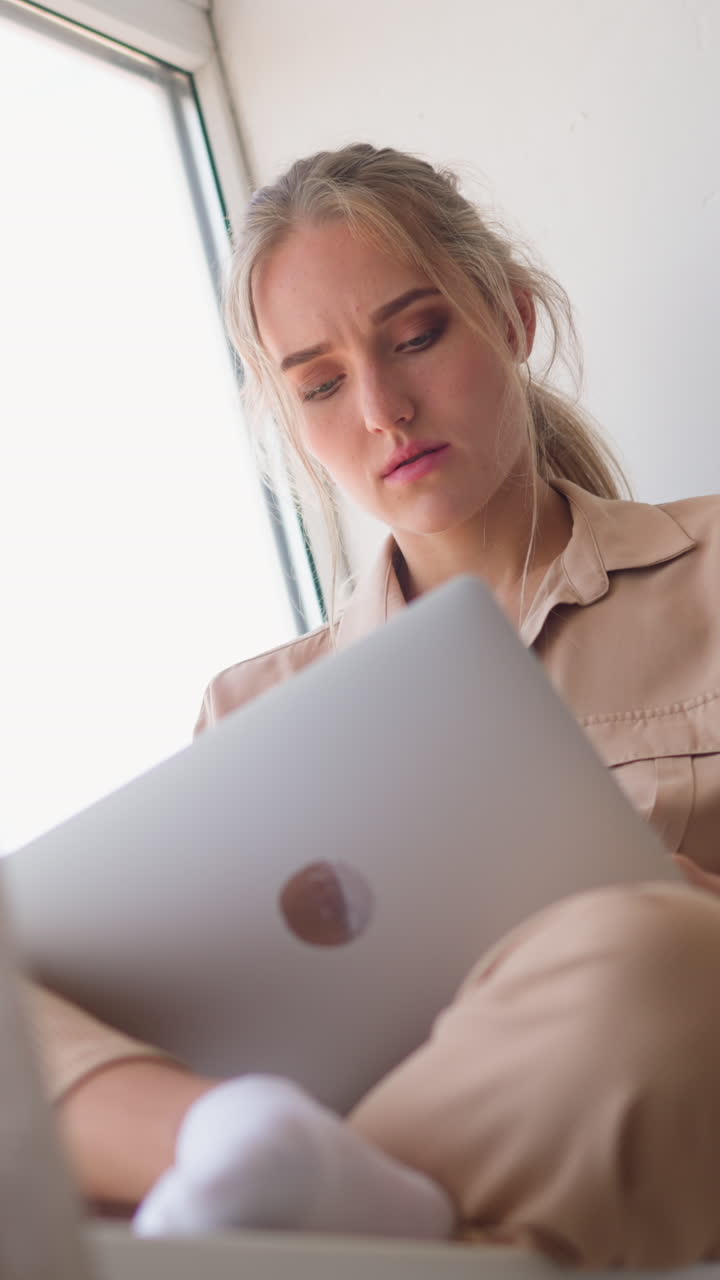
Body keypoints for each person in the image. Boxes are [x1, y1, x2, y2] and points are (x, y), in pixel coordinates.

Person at [23, 143, 720, 1267]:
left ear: (515, 315)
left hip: (640, 1074)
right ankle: (234, 1146)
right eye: (322, 382)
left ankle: (301, 1204)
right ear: (286, 418)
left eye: (416, 337)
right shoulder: (252, 708)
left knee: (664, 963)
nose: (387, 408)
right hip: (309, 1125)